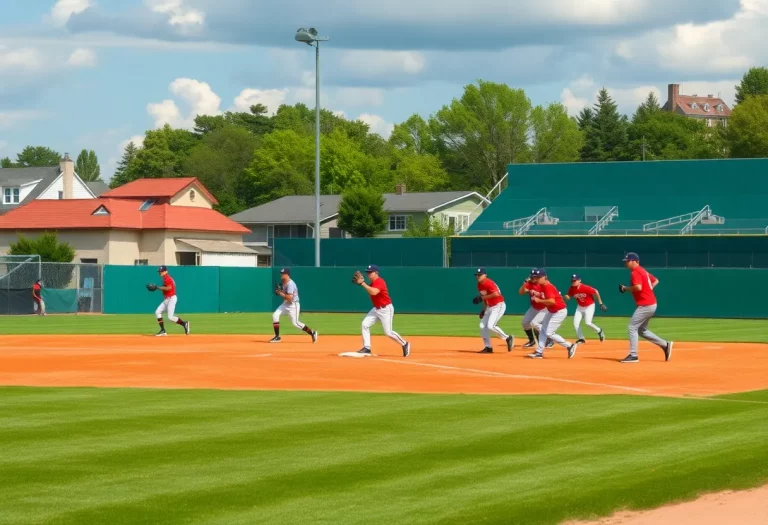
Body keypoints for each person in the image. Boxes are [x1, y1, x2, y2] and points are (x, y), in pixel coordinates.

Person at [619, 253, 673, 363]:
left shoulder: (635, 272)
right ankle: (665, 344)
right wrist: (648, 290)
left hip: (646, 305)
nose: (626, 263)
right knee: (641, 330)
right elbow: (656, 280)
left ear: (635, 261)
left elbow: (638, 287)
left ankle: (633, 355)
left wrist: (625, 288)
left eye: (627, 261)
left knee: (632, 327)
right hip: (651, 304)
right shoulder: (643, 270)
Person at [353, 264, 410, 357]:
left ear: (376, 273)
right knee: (365, 324)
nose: (368, 274)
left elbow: (374, 292)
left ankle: (405, 344)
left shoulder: (380, 281)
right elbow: (371, 291)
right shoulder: (372, 283)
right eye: (367, 272)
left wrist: (362, 283)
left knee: (388, 332)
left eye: (370, 272)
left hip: (385, 309)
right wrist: (363, 284)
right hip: (376, 308)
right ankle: (367, 348)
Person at [526, 269, 578, 359]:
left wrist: (539, 300)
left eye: (538, 277)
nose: (536, 279)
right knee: (542, 330)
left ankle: (569, 346)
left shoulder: (547, 286)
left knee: (549, 332)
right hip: (551, 311)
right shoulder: (542, 285)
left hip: (559, 311)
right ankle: (539, 352)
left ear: (544, 277)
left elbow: (552, 301)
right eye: (535, 277)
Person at [270, 268, 317, 344]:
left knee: (296, 323)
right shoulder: (284, 282)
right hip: (286, 303)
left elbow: (289, 297)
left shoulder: (290, 284)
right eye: (281, 273)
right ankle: (277, 337)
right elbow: (283, 294)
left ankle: (312, 333)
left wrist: (280, 293)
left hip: (293, 304)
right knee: (275, 315)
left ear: (287, 274)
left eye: (283, 273)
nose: (281, 275)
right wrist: (278, 291)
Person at [474, 268, 514, 353]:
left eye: (480, 275)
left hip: (498, 305)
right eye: (477, 275)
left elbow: (496, 294)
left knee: (490, 326)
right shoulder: (479, 285)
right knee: (482, 326)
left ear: (485, 275)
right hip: (490, 306)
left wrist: (482, 298)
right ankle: (488, 347)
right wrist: (483, 310)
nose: (478, 276)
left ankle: (507, 338)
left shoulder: (489, 283)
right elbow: (484, 299)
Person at [565, 274, 606, 344]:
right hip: (580, 307)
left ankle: (599, 330)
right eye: (572, 281)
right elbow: (569, 296)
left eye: (575, 280)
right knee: (575, 323)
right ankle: (581, 339)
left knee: (588, 322)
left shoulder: (585, 287)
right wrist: (566, 297)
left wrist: (601, 303)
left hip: (589, 306)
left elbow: (596, 291)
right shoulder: (571, 288)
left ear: (579, 280)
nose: (573, 282)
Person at [518, 269, 552, 349]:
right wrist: (524, 284)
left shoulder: (543, 284)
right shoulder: (529, 284)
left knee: (535, 323)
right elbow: (521, 292)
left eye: (535, 277)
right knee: (525, 323)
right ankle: (532, 341)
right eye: (532, 277)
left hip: (544, 308)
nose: (533, 278)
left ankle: (549, 339)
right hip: (534, 307)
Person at [153, 265, 190, 337]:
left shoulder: (167, 278)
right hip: (167, 299)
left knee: (170, 317)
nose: (160, 272)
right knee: (157, 312)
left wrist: (157, 287)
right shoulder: (165, 278)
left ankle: (184, 324)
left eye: (162, 271)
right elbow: (169, 287)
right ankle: (163, 331)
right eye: (160, 271)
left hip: (171, 299)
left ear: (166, 271)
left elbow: (169, 288)